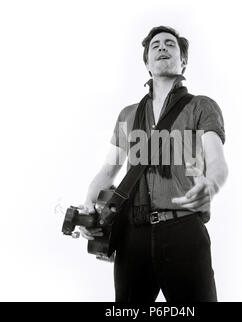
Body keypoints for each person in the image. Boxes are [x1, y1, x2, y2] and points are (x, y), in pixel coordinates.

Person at [80, 26, 228, 302]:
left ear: (183, 61)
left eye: (171, 44)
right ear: (147, 62)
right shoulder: (128, 115)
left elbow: (217, 159)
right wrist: (88, 208)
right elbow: (108, 169)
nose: (162, 47)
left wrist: (212, 182)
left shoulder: (201, 107)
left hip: (183, 229)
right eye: (156, 45)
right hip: (133, 235)